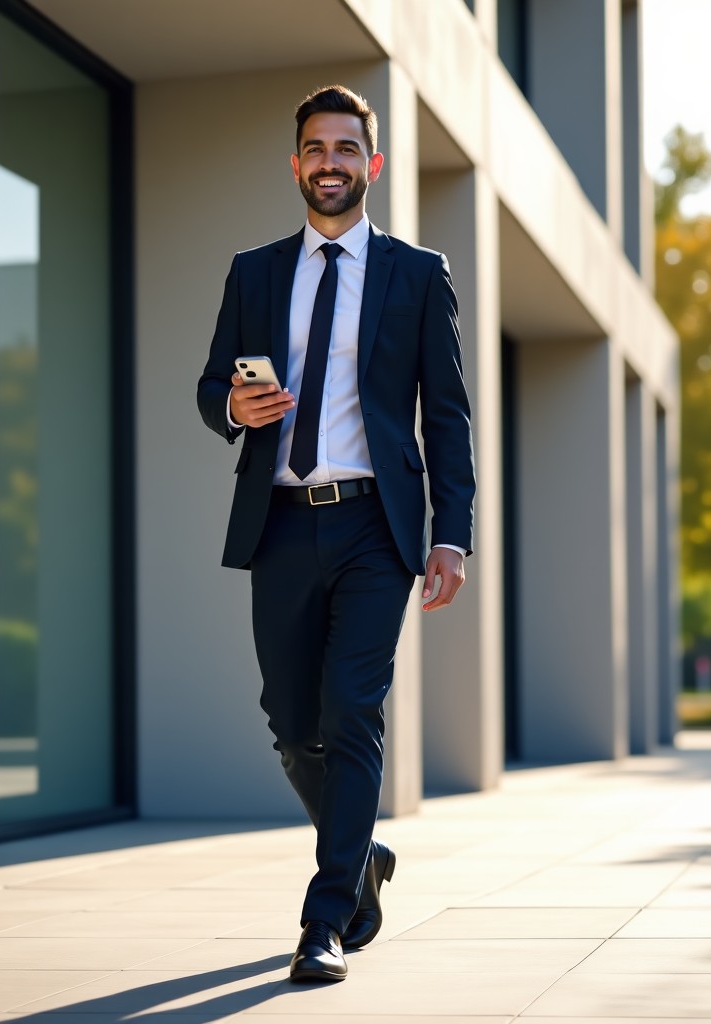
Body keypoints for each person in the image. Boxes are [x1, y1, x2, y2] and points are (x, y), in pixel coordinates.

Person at [197, 84, 476, 983]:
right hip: (278, 520)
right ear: (296, 165)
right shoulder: (253, 270)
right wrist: (232, 406)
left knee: (354, 712)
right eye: (316, 149)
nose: (330, 163)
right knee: (291, 722)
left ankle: (324, 920)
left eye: (346, 149)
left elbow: (450, 419)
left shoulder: (417, 273)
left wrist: (453, 533)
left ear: (372, 164)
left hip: (373, 526)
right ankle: (362, 858)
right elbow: (211, 389)